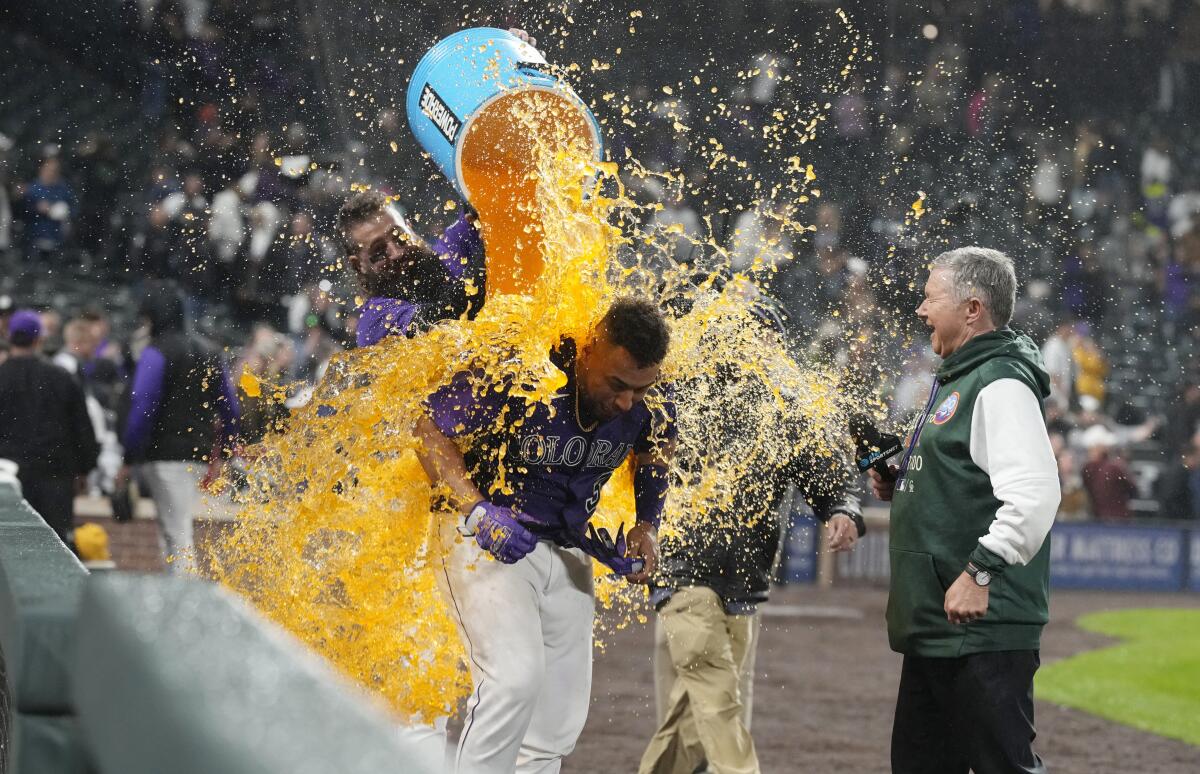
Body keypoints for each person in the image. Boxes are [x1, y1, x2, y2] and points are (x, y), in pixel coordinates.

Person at [416, 297, 674, 773]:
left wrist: (646, 523)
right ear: (591, 346)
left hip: (569, 548)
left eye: (639, 391)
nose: (626, 402)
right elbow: (429, 428)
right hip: (482, 539)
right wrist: (476, 511)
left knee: (557, 723)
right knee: (512, 682)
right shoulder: (528, 364)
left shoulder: (647, 394)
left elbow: (657, 448)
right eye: (618, 384)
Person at [639, 304, 864, 774]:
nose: (766, 349)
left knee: (691, 719)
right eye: (756, 337)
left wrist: (843, 509)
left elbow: (825, 474)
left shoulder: (782, 412)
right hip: (683, 575)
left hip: (744, 587)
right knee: (719, 699)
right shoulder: (682, 396)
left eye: (770, 340)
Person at [869, 247, 1060, 774]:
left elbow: (1035, 492)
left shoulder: (998, 382)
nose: (921, 309)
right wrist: (903, 481)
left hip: (981, 628)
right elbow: (964, 476)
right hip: (939, 622)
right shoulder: (960, 376)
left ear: (971, 308)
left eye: (931, 297)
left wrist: (980, 570)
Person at [119, 283, 240, 572]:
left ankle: (184, 606)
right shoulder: (210, 351)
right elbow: (230, 408)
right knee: (173, 534)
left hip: (163, 454)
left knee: (177, 536)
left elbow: (142, 407)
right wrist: (224, 450)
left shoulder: (156, 352)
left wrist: (129, 455)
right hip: (196, 453)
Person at [337, 190, 486, 346]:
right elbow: (445, 319)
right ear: (358, 265)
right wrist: (486, 252)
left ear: (410, 229)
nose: (397, 253)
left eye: (400, 237)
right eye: (379, 251)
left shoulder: (449, 252)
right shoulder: (375, 322)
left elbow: (478, 202)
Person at [0, 310, 99, 543]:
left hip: (7, 478)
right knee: (54, 547)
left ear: (9, 336)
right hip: (54, 478)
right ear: (39, 339)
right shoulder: (61, 377)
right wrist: (86, 468)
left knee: (9, 547)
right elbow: (82, 428)